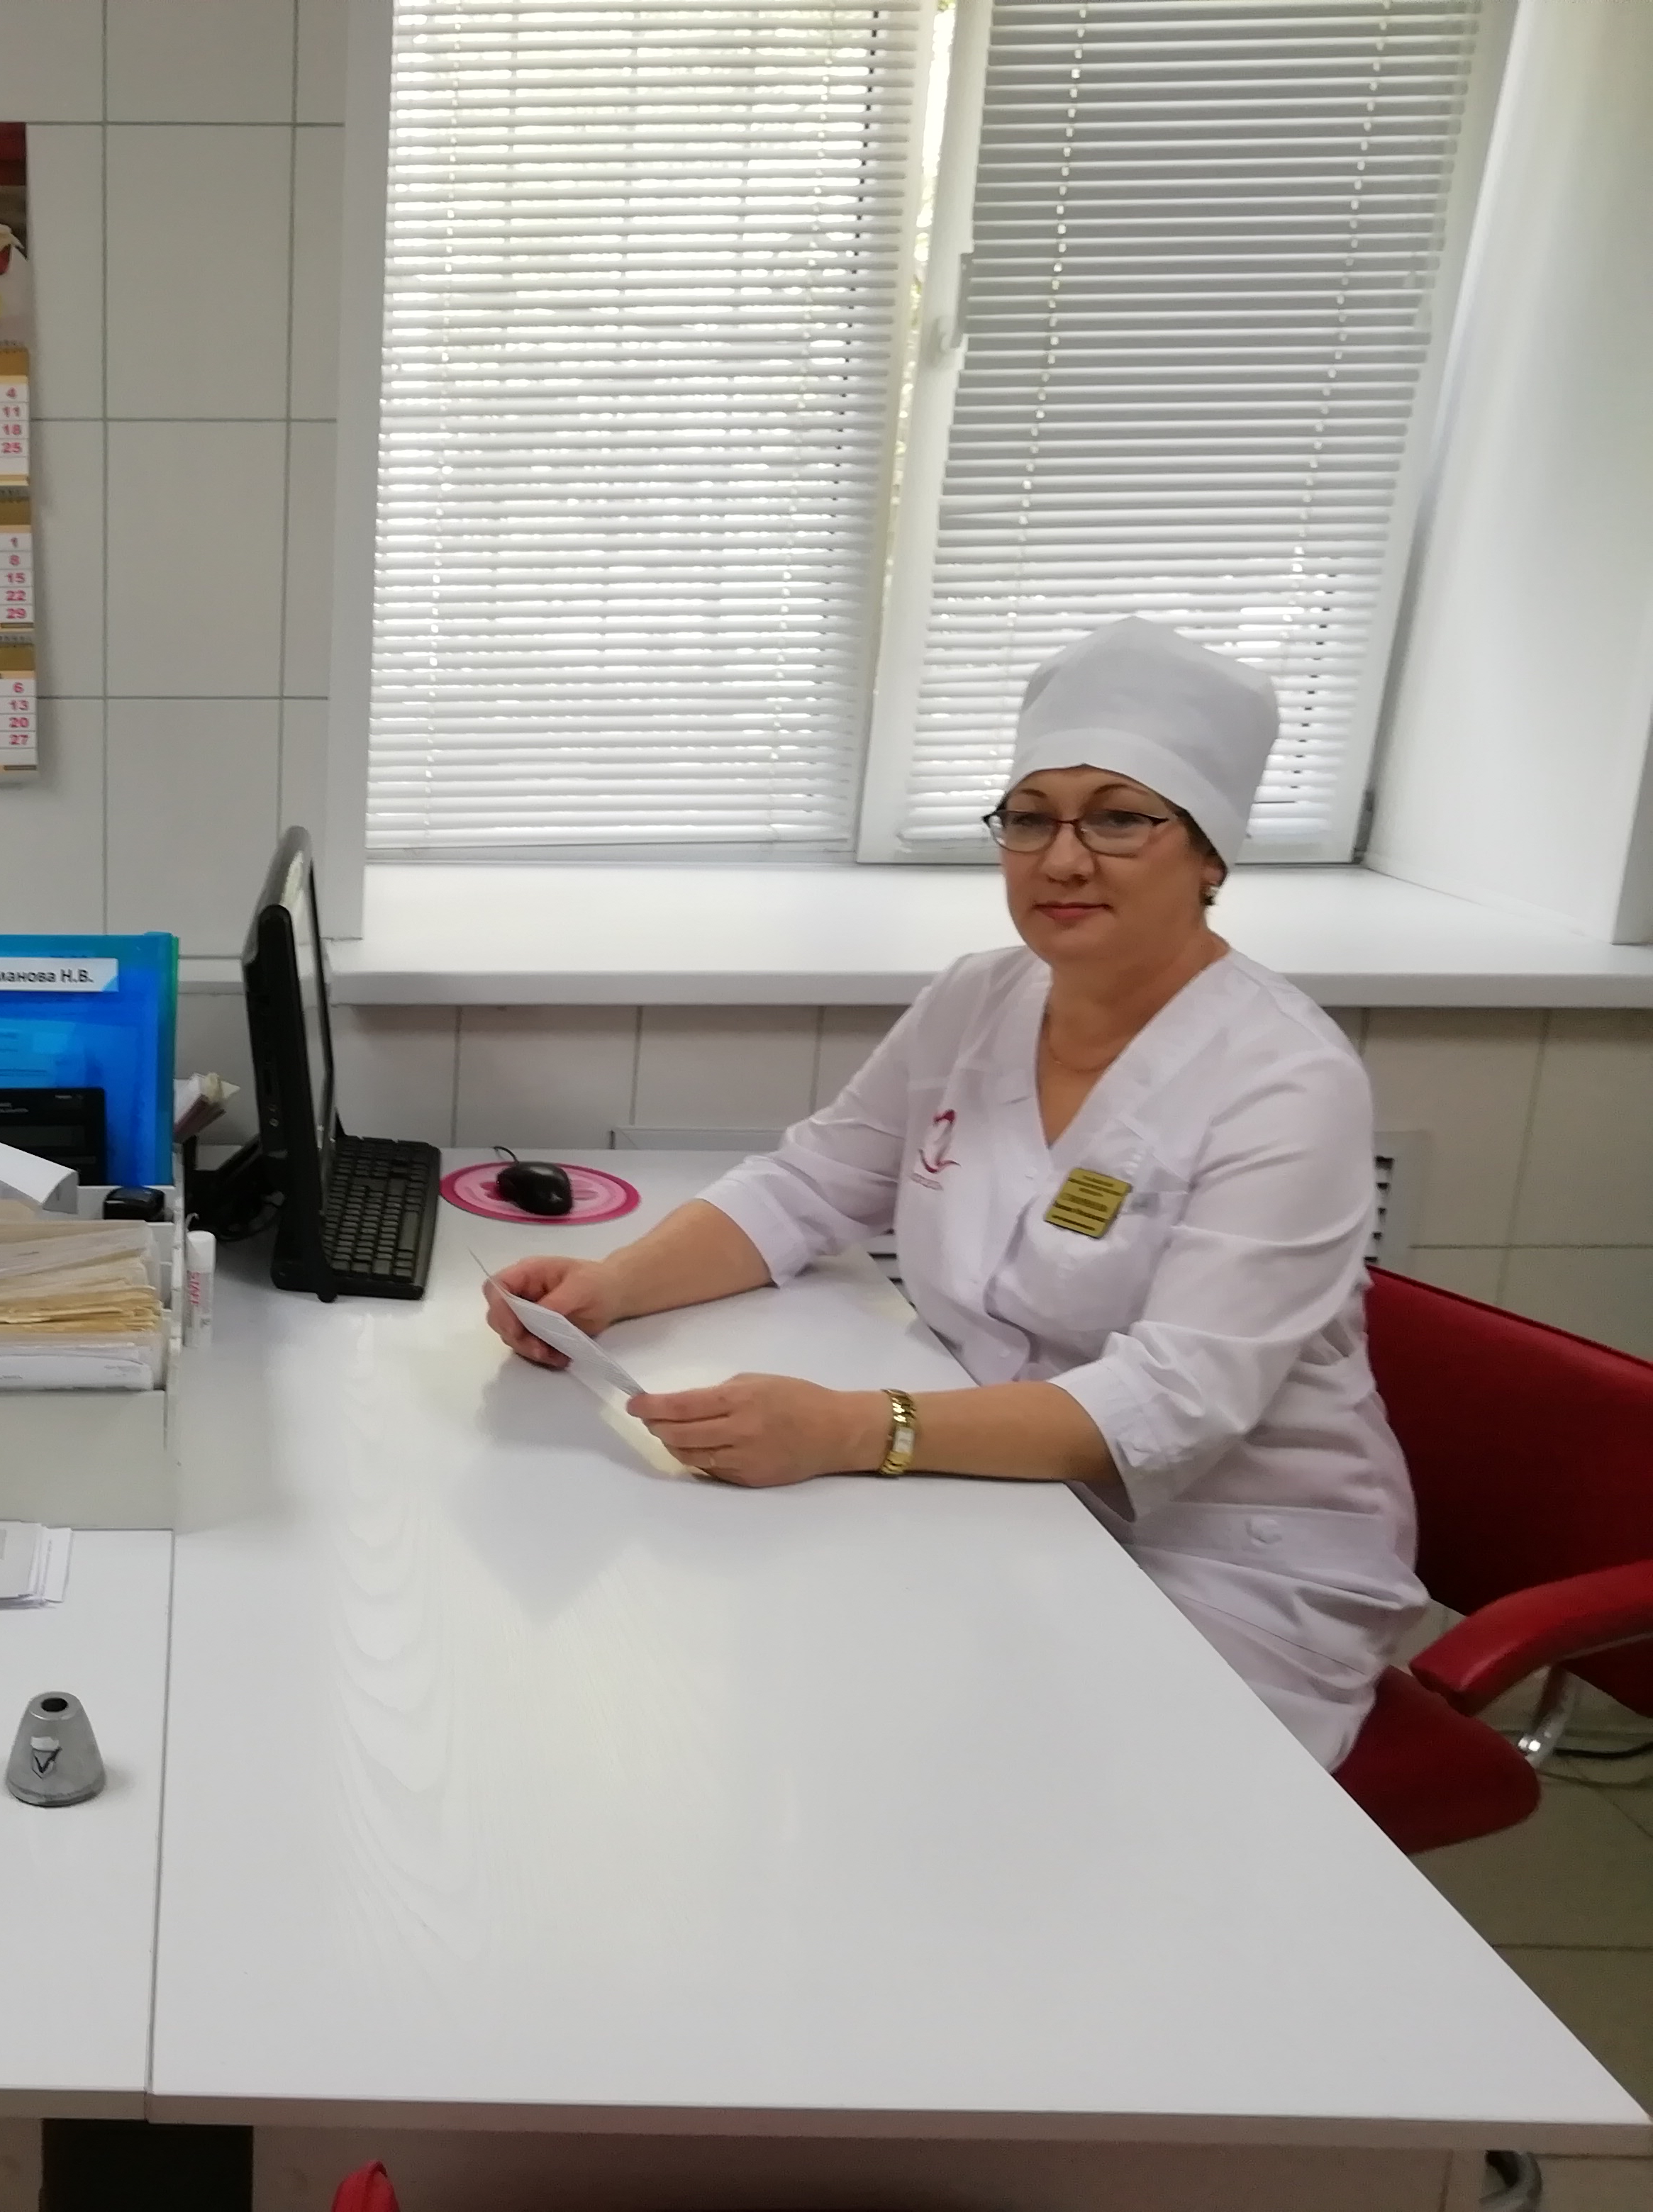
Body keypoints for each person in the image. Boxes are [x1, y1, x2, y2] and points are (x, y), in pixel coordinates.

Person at [486, 618, 1422, 1767]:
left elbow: (1173, 1401)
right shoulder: (979, 1000)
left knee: (1009, 1794)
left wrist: (850, 1429)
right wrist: (612, 1288)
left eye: (1119, 818)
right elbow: (808, 1186)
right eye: (1030, 818)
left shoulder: (1286, 1081)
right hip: (997, 1486)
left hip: (1224, 1556)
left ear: (1211, 855)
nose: (1062, 860)